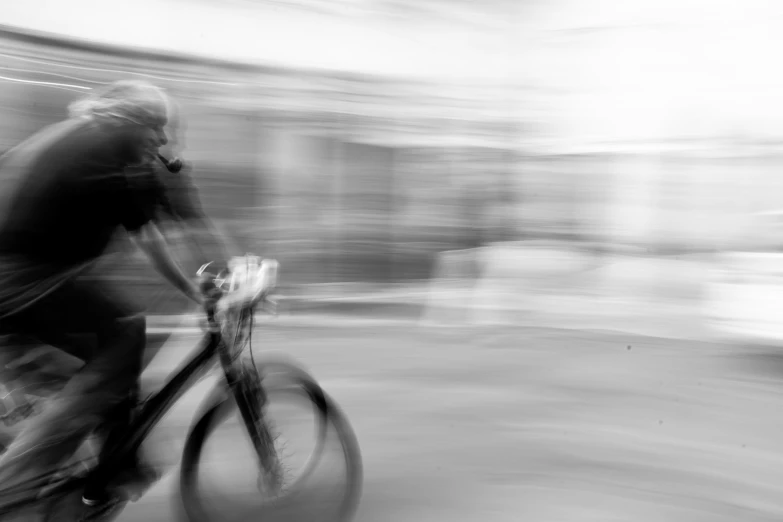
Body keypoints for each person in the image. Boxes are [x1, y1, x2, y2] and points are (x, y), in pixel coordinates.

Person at [0, 79, 206, 506]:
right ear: (130, 122)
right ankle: (13, 484)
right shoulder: (107, 153)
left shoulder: (73, 139)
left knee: (108, 370)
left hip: (25, 279)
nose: (164, 140)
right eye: (157, 127)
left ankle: (109, 472)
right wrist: (195, 291)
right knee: (124, 337)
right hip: (20, 281)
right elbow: (151, 240)